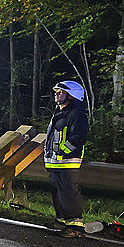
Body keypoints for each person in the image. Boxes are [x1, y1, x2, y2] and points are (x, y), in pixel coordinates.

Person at [44, 80, 90, 237]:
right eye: (56, 91)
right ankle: (62, 221)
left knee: (69, 193)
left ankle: (76, 227)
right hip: (55, 163)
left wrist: (63, 151)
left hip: (68, 162)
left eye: (61, 92)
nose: (57, 94)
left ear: (72, 96)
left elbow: (78, 137)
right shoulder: (58, 113)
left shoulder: (77, 114)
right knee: (58, 193)